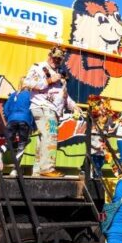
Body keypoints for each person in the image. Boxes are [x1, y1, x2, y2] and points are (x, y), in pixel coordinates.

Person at [23, 46, 80, 177]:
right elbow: (27, 83)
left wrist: (73, 106)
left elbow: (63, 95)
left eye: (59, 59)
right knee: (51, 136)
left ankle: (37, 170)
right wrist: (49, 80)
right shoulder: (38, 67)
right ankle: (47, 168)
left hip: (53, 109)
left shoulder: (60, 72)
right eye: (54, 58)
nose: (56, 61)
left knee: (43, 138)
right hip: (43, 106)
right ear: (49, 56)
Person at [3, 87, 33, 175]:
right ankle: (15, 169)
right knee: (21, 145)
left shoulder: (13, 94)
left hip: (12, 120)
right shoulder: (31, 95)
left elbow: (6, 108)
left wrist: (9, 118)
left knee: (9, 142)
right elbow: (32, 110)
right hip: (25, 120)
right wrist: (32, 125)